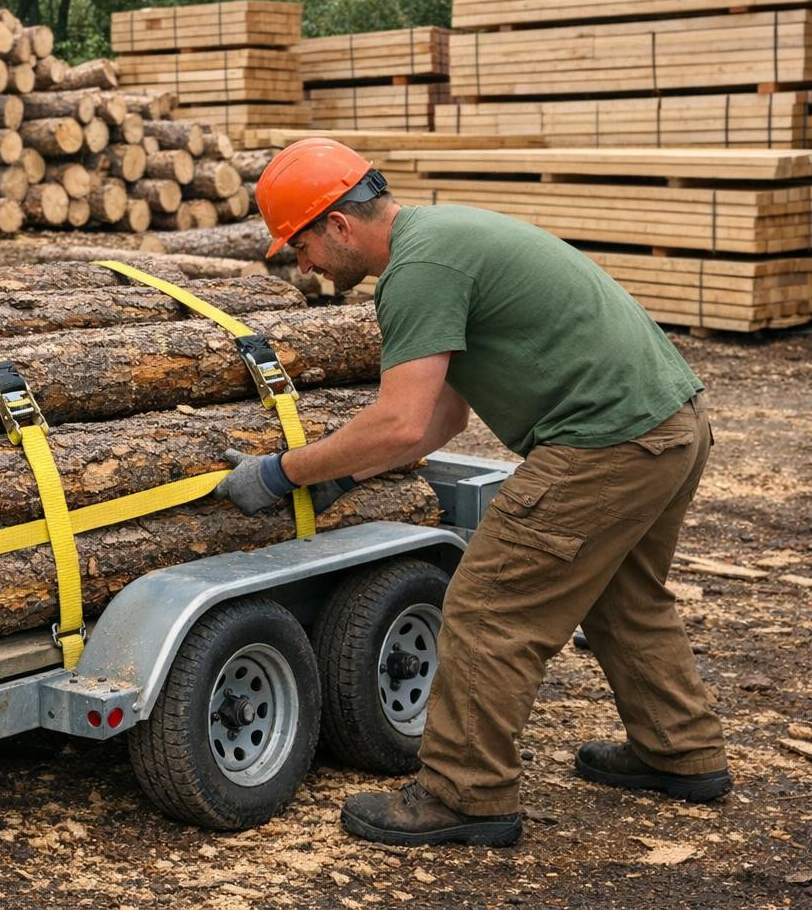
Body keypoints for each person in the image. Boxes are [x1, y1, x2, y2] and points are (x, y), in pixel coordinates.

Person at [214, 138, 730, 848]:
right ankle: (682, 752)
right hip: (671, 426)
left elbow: (397, 422)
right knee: (626, 595)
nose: (302, 264)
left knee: (489, 606)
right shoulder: (444, 239)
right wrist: (342, 472)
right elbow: (441, 417)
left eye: (299, 245)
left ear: (337, 223)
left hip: (606, 443)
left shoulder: (418, 271)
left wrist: (282, 472)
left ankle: (467, 795)